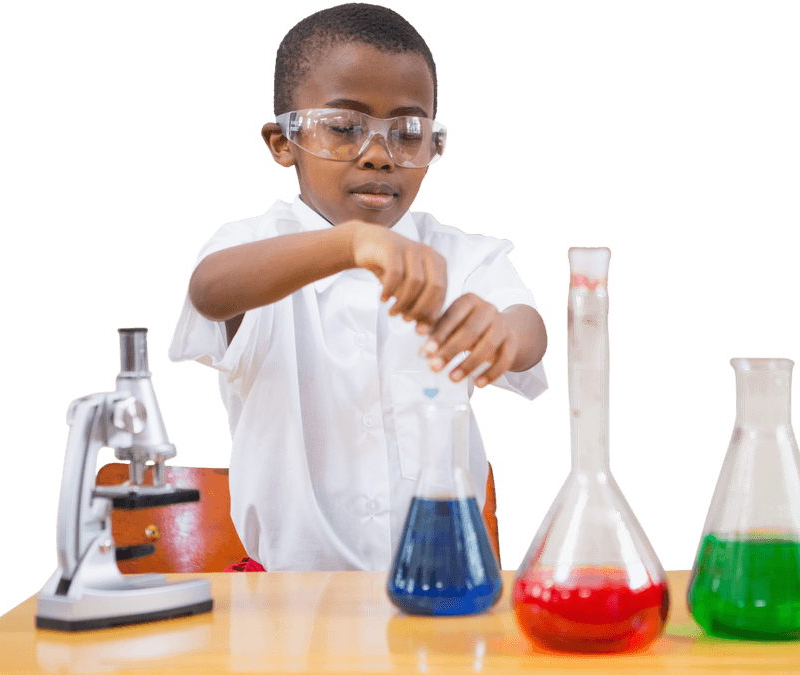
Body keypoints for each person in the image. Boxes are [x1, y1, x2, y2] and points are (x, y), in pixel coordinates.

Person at [169, 3, 548, 572]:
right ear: (281, 143)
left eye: (408, 133)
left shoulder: (461, 254)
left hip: (443, 589)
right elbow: (211, 289)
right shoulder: (251, 243)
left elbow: (529, 331)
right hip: (286, 607)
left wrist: (499, 334)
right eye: (344, 129)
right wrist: (350, 244)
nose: (379, 156)